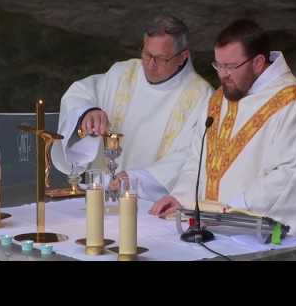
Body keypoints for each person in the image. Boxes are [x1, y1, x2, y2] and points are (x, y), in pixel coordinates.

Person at [150, 19, 296, 260]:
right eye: (218, 65)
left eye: (230, 66)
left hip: (258, 237)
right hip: (215, 232)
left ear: (258, 63)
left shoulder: (292, 103)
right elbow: (199, 158)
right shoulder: (219, 99)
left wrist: (232, 209)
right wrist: (182, 197)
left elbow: (291, 175)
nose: (223, 75)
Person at [51, 15, 213, 201]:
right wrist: (88, 112)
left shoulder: (201, 96)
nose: (150, 65)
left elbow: (192, 155)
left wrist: (139, 179)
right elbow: (80, 93)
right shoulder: (123, 73)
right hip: (101, 195)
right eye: (146, 54)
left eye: (161, 59)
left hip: (151, 204)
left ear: (183, 56)